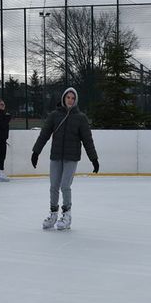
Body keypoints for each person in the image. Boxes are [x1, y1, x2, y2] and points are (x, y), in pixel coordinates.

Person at [31, 87, 99, 230]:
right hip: (56, 156)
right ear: (63, 98)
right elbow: (44, 134)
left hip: (71, 157)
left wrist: (94, 159)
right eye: (68, 97)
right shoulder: (54, 116)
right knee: (54, 186)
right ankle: (53, 214)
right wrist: (36, 152)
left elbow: (88, 140)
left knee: (65, 186)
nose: (70, 100)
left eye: (73, 98)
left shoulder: (81, 118)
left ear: (75, 101)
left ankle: (67, 215)